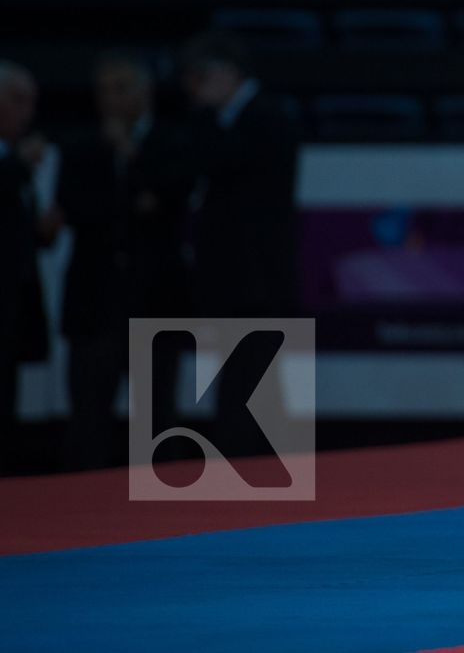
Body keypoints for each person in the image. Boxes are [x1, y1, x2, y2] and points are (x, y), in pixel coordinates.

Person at [54, 53, 192, 471]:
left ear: (145, 90)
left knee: (158, 416)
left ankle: (170, 518)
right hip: (94, 304)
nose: (110, 100)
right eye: (103, 91)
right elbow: (76, 208)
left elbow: (169, 199)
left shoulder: (174, 141)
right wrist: (135, 201)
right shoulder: (80, 148)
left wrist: (129, 156)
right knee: (88, 419)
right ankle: (76, 518)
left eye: (121, 88)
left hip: (155, 301)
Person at [180, 33, 302, 457]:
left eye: (201, 78)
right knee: (239, 375)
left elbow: (223, 164)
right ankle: (242, 462)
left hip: (258, 279)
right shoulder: (233, 120)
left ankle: (248, 462)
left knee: (253, 374)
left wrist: (204, 121)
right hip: (234, 278)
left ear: (228, 73)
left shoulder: (265, 118)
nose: (194, 89)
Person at [0, 62, 53, 472]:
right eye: (17, 100)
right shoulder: (14, 165)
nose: (27, 112)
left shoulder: (17, 167)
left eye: (32, 102)